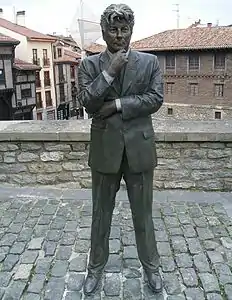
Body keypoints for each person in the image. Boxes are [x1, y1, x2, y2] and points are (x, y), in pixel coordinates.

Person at [78, 3, 164, 296]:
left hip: (139, 151)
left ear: (131, 30)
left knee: (143, 216)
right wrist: (109, 73)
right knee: (101, 216)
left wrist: (116, 105)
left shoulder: (149, 63)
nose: (118, 35)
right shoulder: (89, 65)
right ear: (104, 31)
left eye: (123, 29)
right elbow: (87, 103)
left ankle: (151, 268)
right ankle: (94, 270)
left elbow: (154, 99)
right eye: (113, 30)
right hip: (104, 152)